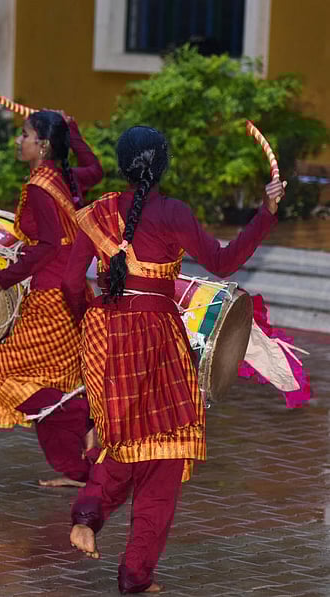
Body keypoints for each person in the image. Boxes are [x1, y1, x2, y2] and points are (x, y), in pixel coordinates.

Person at [62, 125, 284, 593]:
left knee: (123, 442)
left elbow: (68, 283)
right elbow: (223, 263)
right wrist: (265, 213)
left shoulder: (96, 213)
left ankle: (88, 514)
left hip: (109, 340)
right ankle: (135, 573)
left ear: (122, 166)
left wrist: (98, 314)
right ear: (162, 165)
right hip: (159, 343)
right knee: (163, 455)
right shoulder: (173, 212)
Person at [0, 109, 103, 487]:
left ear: (42, 145)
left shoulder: (42, 188)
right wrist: (72, 129)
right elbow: (97, 169)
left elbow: (46, 247)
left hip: (51, 300)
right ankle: (84, 455)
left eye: (24, 134)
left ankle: (83, 420)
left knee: (2, 376)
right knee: (57, 379)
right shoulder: (65, 178)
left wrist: (1, 279)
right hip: (73, 294)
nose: (17, 140)